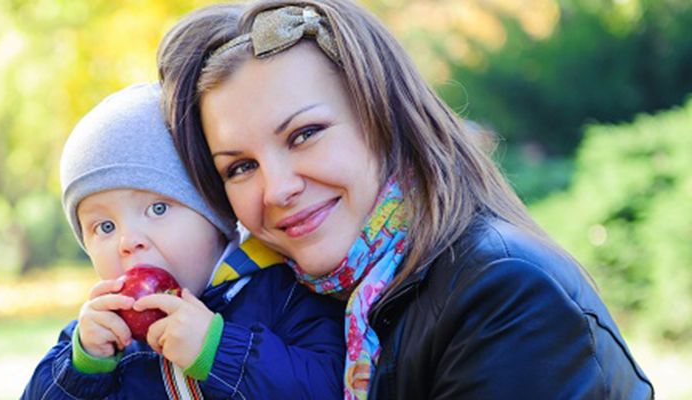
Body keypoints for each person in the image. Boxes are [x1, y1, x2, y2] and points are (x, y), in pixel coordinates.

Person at [157, 0, 655, 398]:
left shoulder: (504, 295)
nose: (277, 188)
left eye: (305, 134)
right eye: (240, 167)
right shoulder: (300, 304)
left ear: (385, 120)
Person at [21, 82, 345, 399]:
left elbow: (331, 386)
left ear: (216, 214)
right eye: (104, 227)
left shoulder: (284, 294)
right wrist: (82, 371)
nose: (128, 240)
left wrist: (218, 352)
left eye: (157, 208)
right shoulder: (99, 339)